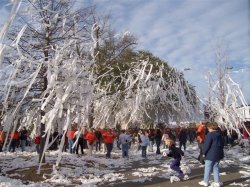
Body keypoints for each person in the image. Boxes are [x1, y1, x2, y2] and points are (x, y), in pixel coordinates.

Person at [199, 122, 224, 187]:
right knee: (216, 168)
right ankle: (217, 182)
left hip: (210, 154)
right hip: (218, 153)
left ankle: (205, 181)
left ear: (211, 127)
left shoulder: (210, 134)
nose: (208, 129)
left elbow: (207, 145)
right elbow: (222, 145)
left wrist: (204, 153)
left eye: (208, 128)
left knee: (207, 168)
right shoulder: (219, 134)